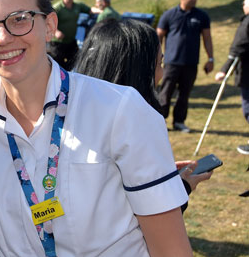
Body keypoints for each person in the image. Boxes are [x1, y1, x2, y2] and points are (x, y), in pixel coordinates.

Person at [0, 0, 194, 257]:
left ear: (49, 25)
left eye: (19, 19)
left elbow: (173, 255)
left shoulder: (120, 109)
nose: (2, 38)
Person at [73, 18, 213, 211]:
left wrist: (158, 172)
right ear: (137, 71)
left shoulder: (67, 114)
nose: (161, 73)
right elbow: (156, 212)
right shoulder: (139, 121)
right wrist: (183, 185)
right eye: (158, 64)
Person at [157, 0, 214, 133]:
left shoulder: (201, 16)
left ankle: (179, 122)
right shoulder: (169, 15)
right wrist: (156, 58)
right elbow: (159, 36)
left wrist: (211, 58)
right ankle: (160, 121)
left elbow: (207, 38)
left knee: (184, 94)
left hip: (190, 63)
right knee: (165, 93)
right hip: (171, 62)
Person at [215, 0, 249, 155]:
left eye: (244, 2)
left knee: (248, 108)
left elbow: (238, 47)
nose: (243, 5)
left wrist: (224, 69)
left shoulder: (247, 23)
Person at [47, 0, 91, 69]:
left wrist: (102, 10)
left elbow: (90, 10)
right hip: (58, 43)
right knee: (58, 65)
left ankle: (70, 76)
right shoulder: (57, 8)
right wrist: (56, 32)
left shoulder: (77, 5)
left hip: (71, 41)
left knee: (76, 59)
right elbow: (48, 22)